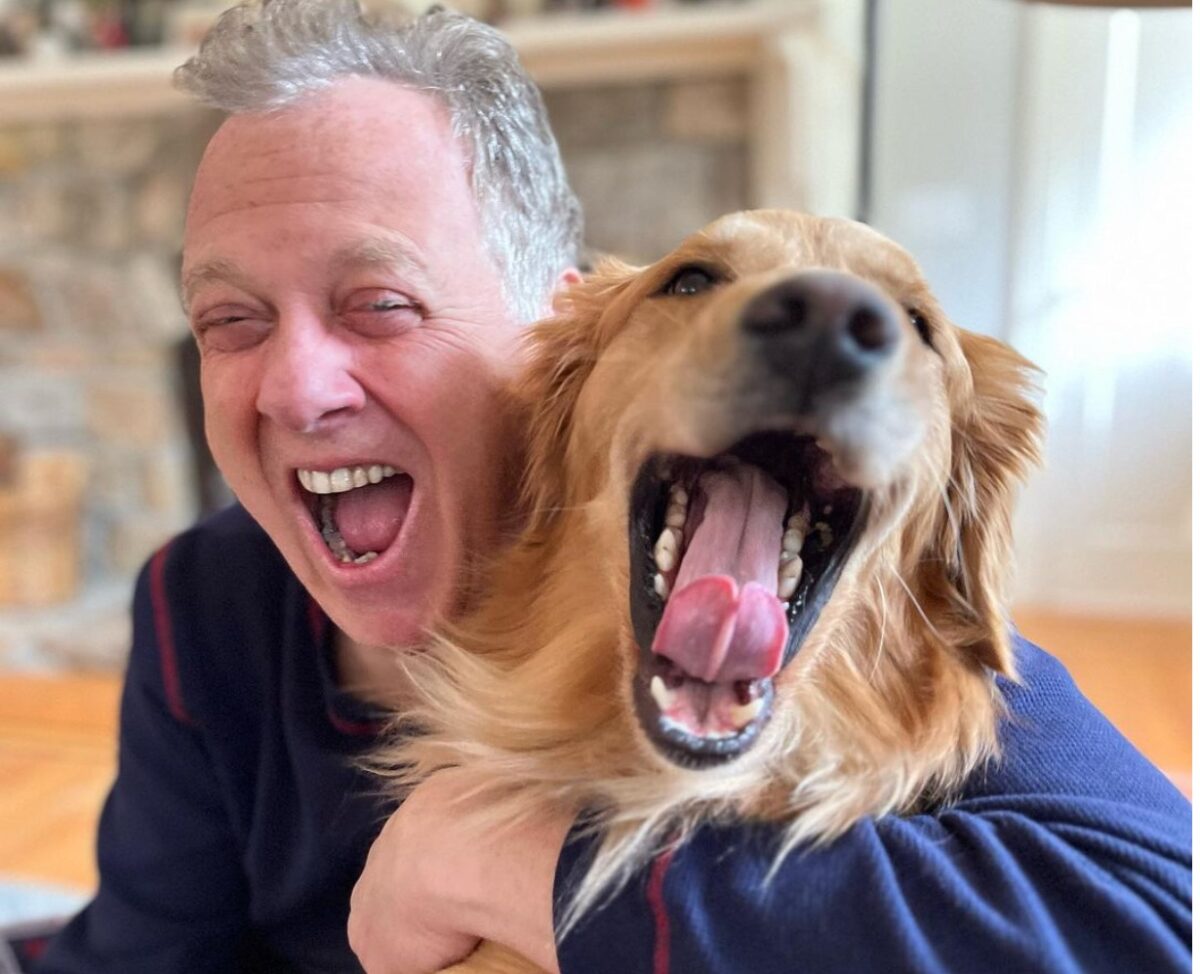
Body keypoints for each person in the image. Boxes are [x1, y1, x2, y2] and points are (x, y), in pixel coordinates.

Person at [35, 1, 1190, 972]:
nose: (294, 386)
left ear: (551, 340)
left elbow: (1157, 913)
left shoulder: (882, 636)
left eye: (380, 301)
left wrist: (518, 856)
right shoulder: (208, 604)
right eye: (229, 321)